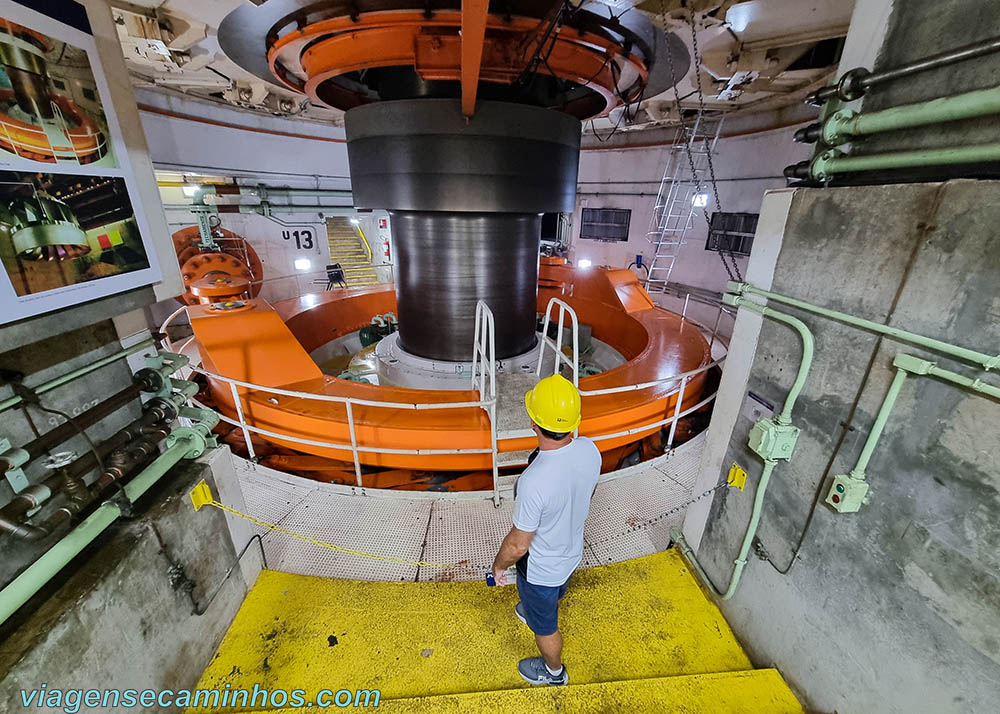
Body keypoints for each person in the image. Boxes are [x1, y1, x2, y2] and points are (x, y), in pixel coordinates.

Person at [490, 373, 601, 686]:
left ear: (533, 424)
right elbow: (587, 492)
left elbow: (518, 545)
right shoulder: (590, 450)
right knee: (554, 590)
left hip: (541, 571)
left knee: (545, 627)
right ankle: (537, 606)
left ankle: (553, 673)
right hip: (571, 554)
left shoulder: (534, 481)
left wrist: (498, 567)